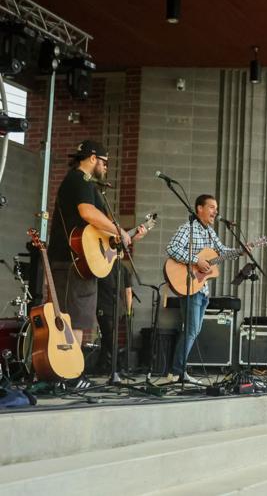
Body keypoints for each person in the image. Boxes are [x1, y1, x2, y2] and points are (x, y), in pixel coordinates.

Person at [48, 141, 143, 385]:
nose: (105, 167)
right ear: (92, 158)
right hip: (72, 258)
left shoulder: (89, 185)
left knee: (78, 319)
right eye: (104, 161)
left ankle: (71, 373)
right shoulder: (78, 180)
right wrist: (119, 230)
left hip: (82, 260)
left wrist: (122, 236)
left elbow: (98, 228)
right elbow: (88, 214)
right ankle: (69, 375)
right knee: (74, 319)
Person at [166, 194, 244, 384]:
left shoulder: (210, 232)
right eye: (211, 207)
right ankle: (176, 372)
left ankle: (178, 372)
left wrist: (243, 249)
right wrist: (196, 260)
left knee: (193, 330)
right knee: (191, 330)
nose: (215, 211)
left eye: (216, 208)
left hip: (202, 288)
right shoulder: (188, 229)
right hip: (188, 284)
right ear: (199, 208)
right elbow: (172, 248)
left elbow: (222, 251)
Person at [96, 261, 136, 373]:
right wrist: (128, 311)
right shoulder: (123, 267)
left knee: (108, 336)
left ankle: (119, 365)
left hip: (103, 306)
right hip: (118, 308)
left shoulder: (100, 265)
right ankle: (103, 364)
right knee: (108, 336)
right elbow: (128, 292)